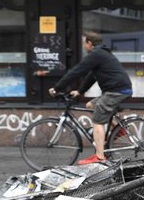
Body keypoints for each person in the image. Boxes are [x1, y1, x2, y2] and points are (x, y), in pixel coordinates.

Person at [49, 31, 132, 165]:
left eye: (84, 43)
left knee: (98, 121)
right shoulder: (102, 54)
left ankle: (99, 156)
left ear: (89, 43)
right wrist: (80, 91)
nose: (83, 46)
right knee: (90, 105)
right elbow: (92, 76)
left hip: (116, 91)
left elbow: (77, 71)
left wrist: (57, 88)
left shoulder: (96, 54)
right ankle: (119, 129)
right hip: (117, 89)